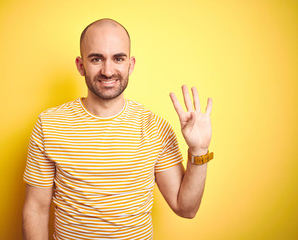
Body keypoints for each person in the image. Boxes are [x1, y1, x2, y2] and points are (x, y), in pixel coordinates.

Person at [22, 18, 213, 240]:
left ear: (130, 65)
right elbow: (35, 209)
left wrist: (199, 150)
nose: (108, 70)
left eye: (118, 58)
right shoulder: (49, 124)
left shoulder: (155, 127)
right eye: (96, 59)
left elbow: (186, 208)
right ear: (81, 65)